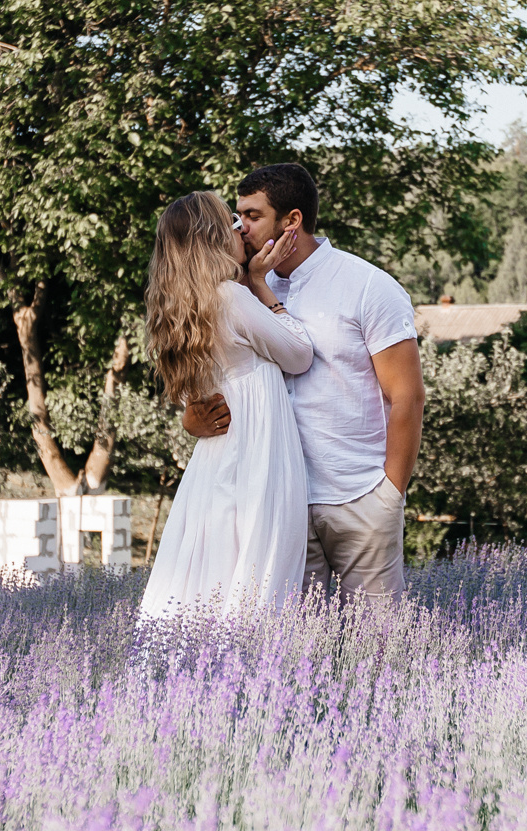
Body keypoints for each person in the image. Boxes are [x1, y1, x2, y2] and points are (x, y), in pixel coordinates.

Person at [183, 163, 424, 601]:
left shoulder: (368, 286)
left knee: (379, 647)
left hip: (358, 495)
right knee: (292, 652)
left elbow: (406, 396)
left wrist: (390, 492)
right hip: (275, 502)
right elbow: (216, 373)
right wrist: (193, 418)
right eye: (237, 216)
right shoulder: (240, 287)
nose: (240, 227)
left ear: (292, 220)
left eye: (253, 216)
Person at [138, 191, 312, 619]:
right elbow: (299, 354)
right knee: (258, 564)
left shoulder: (180, 308)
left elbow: (189, 398)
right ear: (214, 238)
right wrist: (259, 285)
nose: (243, 231)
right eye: (233, 224)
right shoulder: (232, 298)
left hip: (216, 457)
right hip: (257, 451)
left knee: (211, 566)